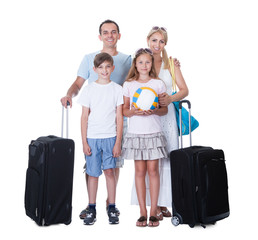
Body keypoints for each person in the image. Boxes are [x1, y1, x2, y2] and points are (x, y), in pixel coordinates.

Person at [60, 19, 131, 219]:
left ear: (119, 35)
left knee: (114, 166)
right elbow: (77, 84)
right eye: (105, 32)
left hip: (117, 122)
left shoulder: (127, 60)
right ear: (100, 36)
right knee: (91, 168)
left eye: (113, 32)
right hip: (94, 126)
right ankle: (90, 205)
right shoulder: (89, 59)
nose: (110, 35)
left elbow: (137, 80)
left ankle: (111, 203)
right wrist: (68, 95)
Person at [122, 48, 168, 227]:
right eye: (140, 62)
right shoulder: (129, 84)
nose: (144, 65)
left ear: (151, 64)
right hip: (136, 134)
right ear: (135, 64)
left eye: (147, 62)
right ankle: (142, 212)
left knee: (153, 171)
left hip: (153, 133)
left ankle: (154, 210)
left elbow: (164, 110)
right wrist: (134, 112)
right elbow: (125, 110)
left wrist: (155, 110)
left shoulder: (158, 83)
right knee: (139, 172)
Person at [78, 52, 123, 225]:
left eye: (107, 67)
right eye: (101, 67)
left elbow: (119, 117)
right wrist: (84, 142)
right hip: (92, 138)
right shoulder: (89, 90)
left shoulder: (117, 89)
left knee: (110, 171)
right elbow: (84, 117)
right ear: (95, 69)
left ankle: (112, 207)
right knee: (93, 173)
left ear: (112, 68)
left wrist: (118, 142)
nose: (104, 70)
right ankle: (92, 207)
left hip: (110, 137)